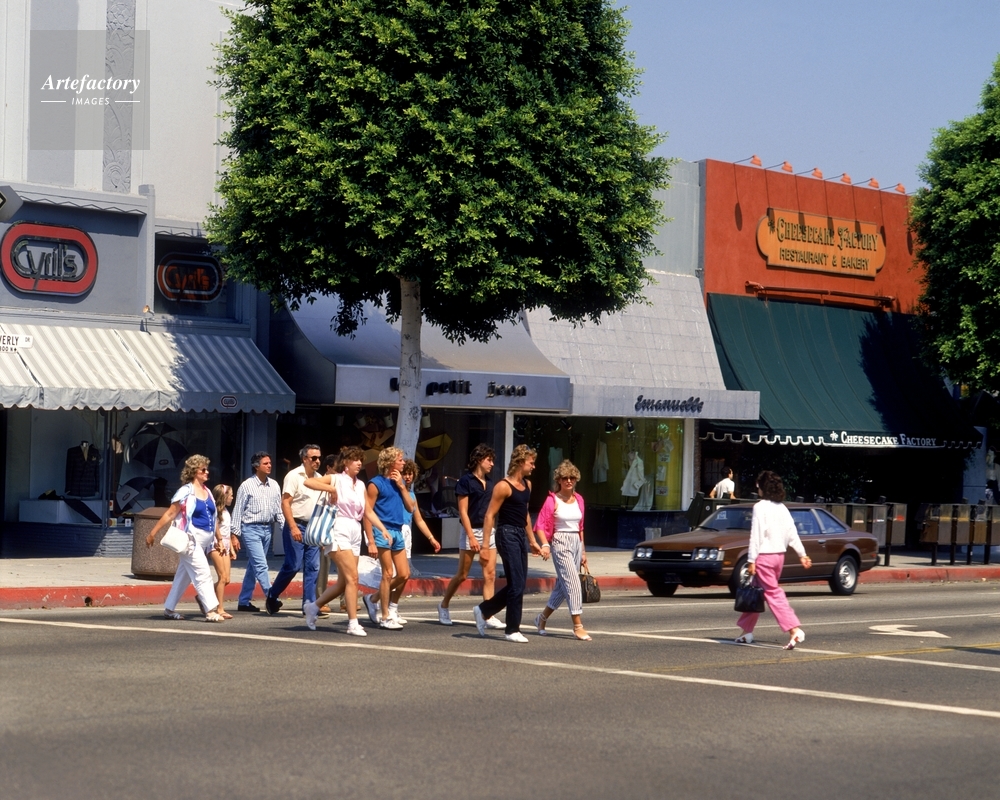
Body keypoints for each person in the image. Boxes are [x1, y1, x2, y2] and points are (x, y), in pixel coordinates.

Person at [302, 446, 384, 636]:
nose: (359, 463)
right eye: (355, 459)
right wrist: (331, 488)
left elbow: (368, 511)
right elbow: (309, 482)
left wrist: (382, 529)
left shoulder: (361, 484)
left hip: (355, 530)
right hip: (339, 527)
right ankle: (353, 623)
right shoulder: (336, 479)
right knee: (353, 578)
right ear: (346, 462)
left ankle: (313, 607)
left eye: (361, 460)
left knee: (343, 582)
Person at [473, 444, 544, 643]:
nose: (533, 466)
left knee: (518, 584)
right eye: (531, 463)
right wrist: (484, 546)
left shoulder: (528, 485)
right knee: (517, 584)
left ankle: (483, 610)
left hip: (520, 535)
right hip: (506, 534)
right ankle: (512, 630)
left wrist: (532, 540)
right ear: (520, 462)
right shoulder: (503, 486)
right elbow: (489, 515)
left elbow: (525, 515)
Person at [735, 470, 811, 650]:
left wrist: (751, 559)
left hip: (765, 557)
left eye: (758, 485)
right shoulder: (782, 508)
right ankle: (746, 632)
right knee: (755, 592)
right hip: (778, 557)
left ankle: (794, 629)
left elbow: (756, 535)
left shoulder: (760, 507)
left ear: (762, 487)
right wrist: (802, 554)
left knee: (772, 594)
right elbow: (792, 533)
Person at [145, 455, 225, 622]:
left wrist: (219, 539)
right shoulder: (185, 491)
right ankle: (211, 610)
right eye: (203, 469)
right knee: (203, 573)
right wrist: (153, 533)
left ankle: (169, 609)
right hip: (190, 539)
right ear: (194, 472)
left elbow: (213, 518)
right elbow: (170, 513)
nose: (207, 472)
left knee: (183, 577)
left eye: (207, 469)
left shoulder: (208, 491)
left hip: (206, 540)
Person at [437, 444, 503, 629]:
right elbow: (463, 512)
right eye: (489, 460)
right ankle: (444, 605)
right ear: (479, 460)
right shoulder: (465, 482)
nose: (492, 464)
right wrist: (471, 537)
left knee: (490, 574)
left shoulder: (490, 483)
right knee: (462, 575)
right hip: (470, 530)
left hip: (488, 531)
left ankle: (487, 614)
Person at [532, 460, 591, 641]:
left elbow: (580, 527)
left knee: (562, 587)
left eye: (572, 477)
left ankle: (541, 618)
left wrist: (583, 551)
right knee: (573, 583)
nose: (568, 481)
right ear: (558, 480)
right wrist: (545, 544)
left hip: (576, 542)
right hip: (560, 542)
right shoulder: (552, 500)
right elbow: (540, 525)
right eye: (564, 478)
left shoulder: (579, 499)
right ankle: (578, 625)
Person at [265, 444, 323, 616]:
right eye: (314, 458)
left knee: (313, 567)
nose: (317, 461)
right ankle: (273, 594)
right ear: (304, 459)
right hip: (297, 524)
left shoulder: (319, 478)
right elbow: (285, 502)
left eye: (319, 458)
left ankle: (309, 605)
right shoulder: (293, 476)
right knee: (293, 565)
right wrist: (292, 527)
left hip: (313, 527)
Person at [361, 447, 415, 629]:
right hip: (381, 530)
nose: (403, 462)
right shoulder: (375, 484)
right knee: (387, 573)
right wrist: (371, 541)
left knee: (404, 574)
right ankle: (385, 616)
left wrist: (401, 486)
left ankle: (373, 598)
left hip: (397, 530)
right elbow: (367, 513)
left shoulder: (398, 483)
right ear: (390, 462)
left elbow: (410, 508)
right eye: (400, 460)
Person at [231, 451, 283, 613]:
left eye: (270, 463)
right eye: (265, 463)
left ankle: (244, 601)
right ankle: (272, 597)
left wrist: (286, 528)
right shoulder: (246, 485)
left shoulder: (274, 485)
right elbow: (238, 510)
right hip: (250, 529)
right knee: (261, 565)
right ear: (256, 466)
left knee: (253, 566)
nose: (269, 466)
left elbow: (278, 510)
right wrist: (234, 534)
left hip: (268, 529)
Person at [401, 459, 441, 564]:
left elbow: (419, 520)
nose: (407, 477)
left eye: (410, 474)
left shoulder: (412, 495)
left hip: (406, 531)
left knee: (405, 566)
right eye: (404, 474)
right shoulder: (395, 492)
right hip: (395, 530)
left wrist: (431, 538)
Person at [209, 483, 237, 619]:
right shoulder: (215, 511)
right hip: (216, 544)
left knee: (227, 579)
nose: (232, 497)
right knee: (222, 577)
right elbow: (215, 528)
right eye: (230, 495)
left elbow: (228, 531)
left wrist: (231, 548)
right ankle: (220, 608)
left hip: (226, 544)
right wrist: (219, 542)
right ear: (223, 496)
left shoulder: (226, 511)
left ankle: (205, 595)